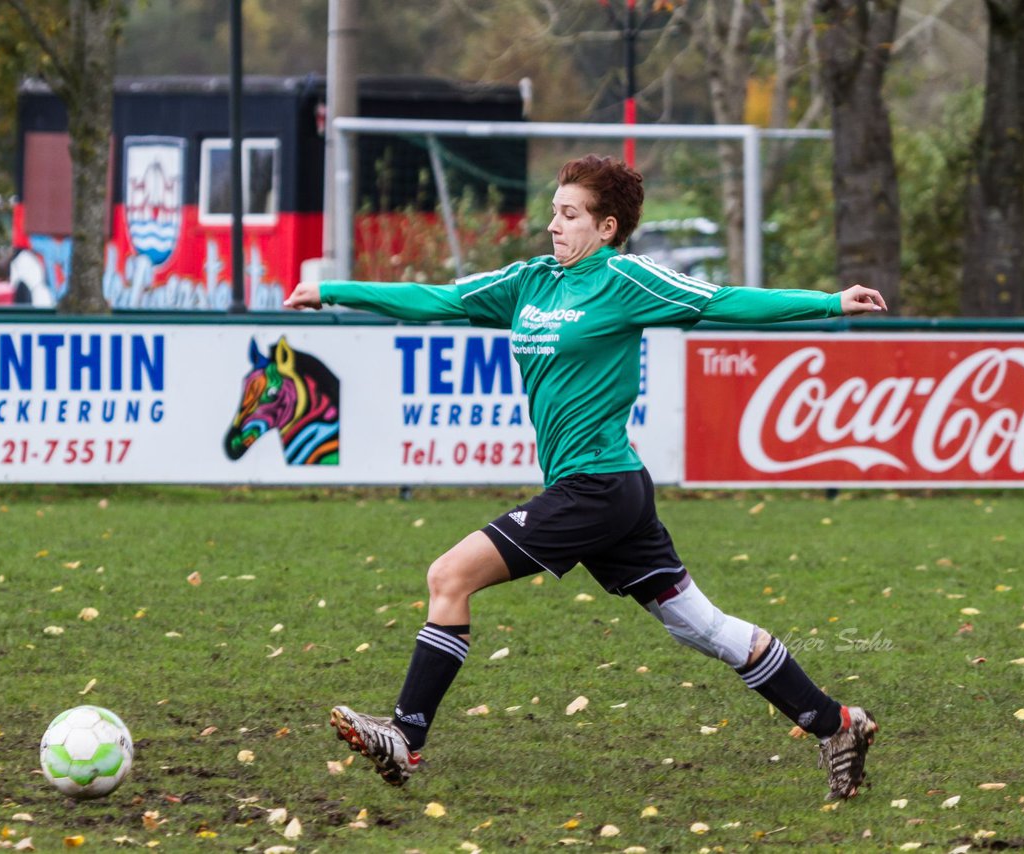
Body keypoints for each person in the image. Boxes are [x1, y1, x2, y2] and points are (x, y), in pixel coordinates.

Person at [286, 154, 885, 800]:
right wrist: (336, 291)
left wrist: (828, 303)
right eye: (553, 212)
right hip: (609, 493)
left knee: (448, 576)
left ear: (605, 228)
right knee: (701, 627)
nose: (553, 226)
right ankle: (838, 723)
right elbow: (438, 298)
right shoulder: (530, 283)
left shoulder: (624, 280)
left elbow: (721, 301)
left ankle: (406, 735)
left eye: (569, 215)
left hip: (597, 488)